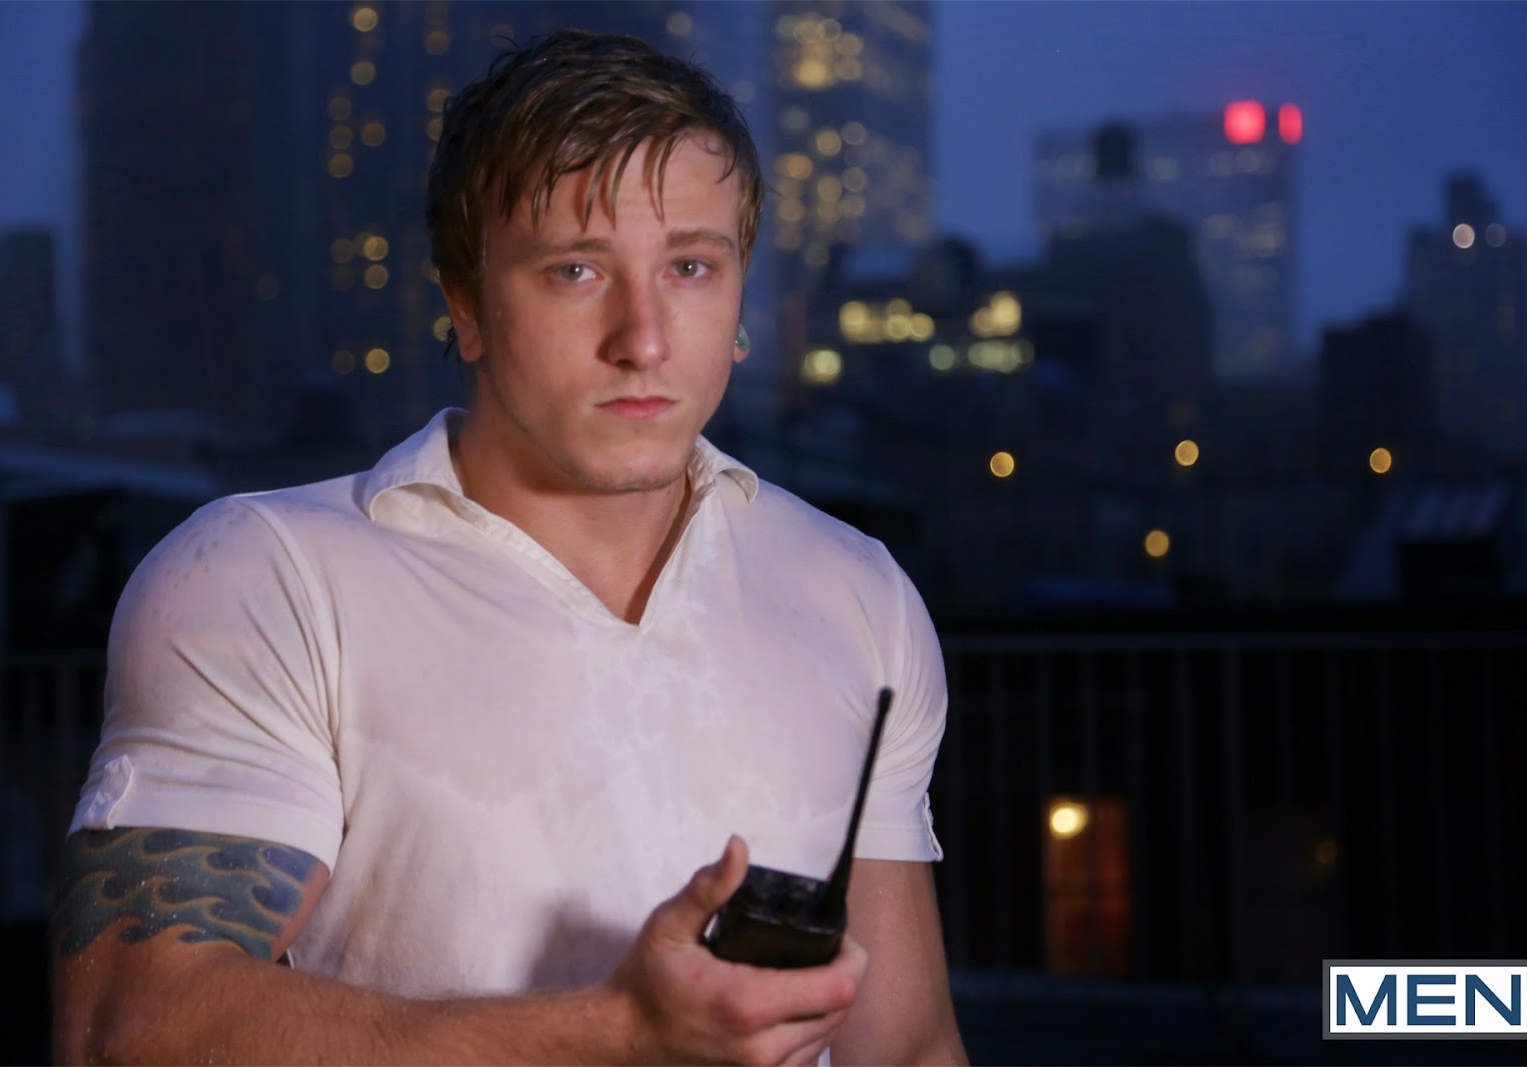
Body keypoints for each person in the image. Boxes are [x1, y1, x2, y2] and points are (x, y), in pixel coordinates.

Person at [52, 28, 966, 1066]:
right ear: (465, 305)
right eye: (575, 269)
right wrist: (616, 1032)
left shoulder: (854, 590)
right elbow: (129, 1029)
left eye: (690, 266)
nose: (645, 339)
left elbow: (910, 1046)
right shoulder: (265, 576)